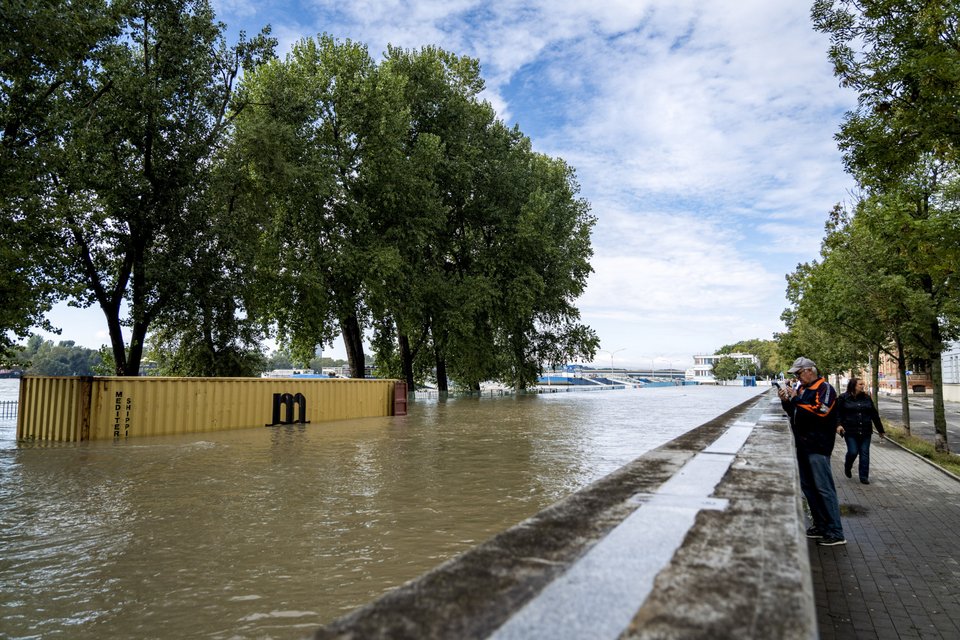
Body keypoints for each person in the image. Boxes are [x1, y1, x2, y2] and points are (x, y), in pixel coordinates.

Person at [778, 357, 846, 546]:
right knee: (808, 487)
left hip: (818, 445)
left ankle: (836, 531)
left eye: (799, 374)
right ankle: (821, 525)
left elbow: (820, 411)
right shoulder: (802, 389)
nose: (798, 378)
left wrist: (796, 399)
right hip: (803, 444)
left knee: (824, 488)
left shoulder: (825, 389)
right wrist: (786, 401)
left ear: (809, 371)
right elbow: (795, 412)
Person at [838, 377, 885, 485]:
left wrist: (881, 430)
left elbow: (874, 414)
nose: (863, 386)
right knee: (853, 451)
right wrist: (839, 425)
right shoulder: (843, 398)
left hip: (866, 430)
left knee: (864, 453)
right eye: (860, 384)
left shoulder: (867, 398)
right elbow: (838, 414)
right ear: (853, 385)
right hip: (850, 430)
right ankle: (848, 465)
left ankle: (864, 476)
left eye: (863, 384)